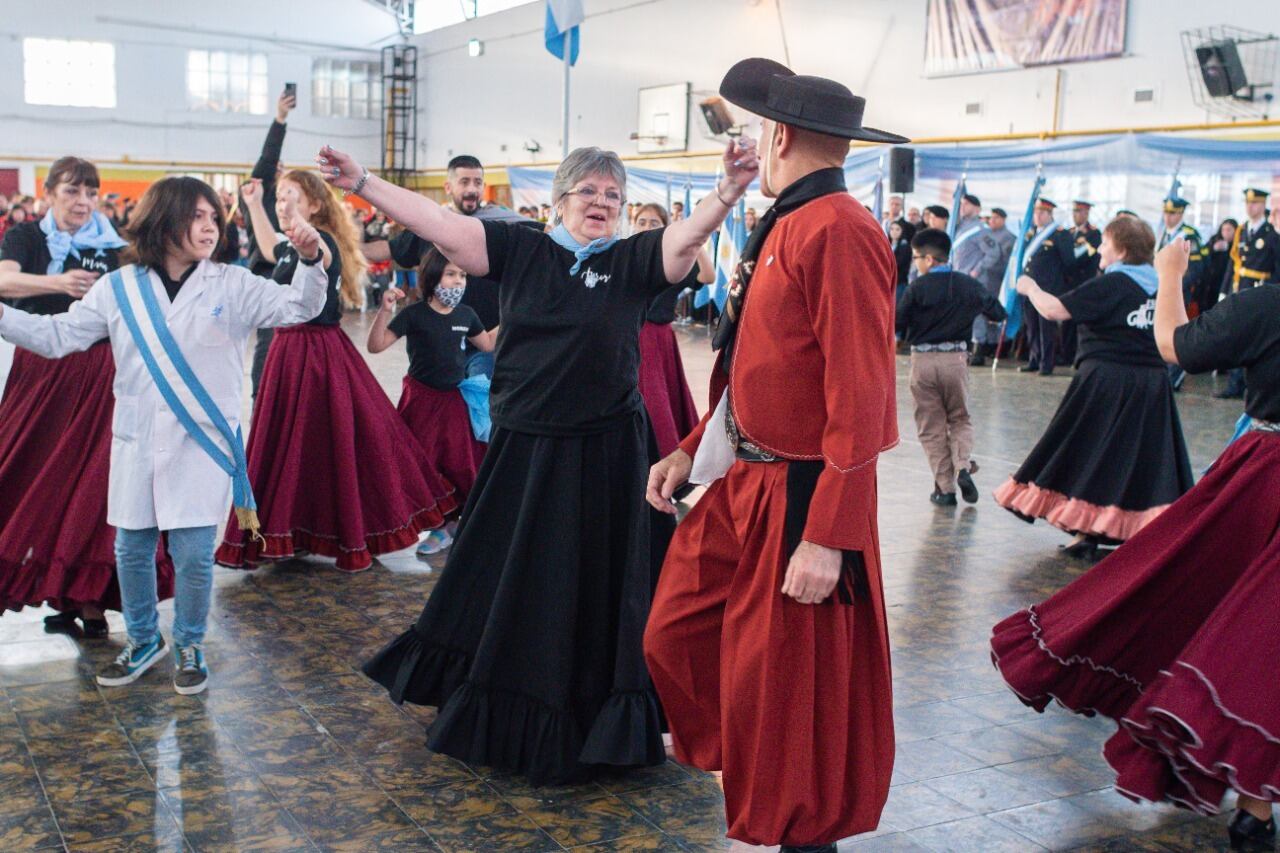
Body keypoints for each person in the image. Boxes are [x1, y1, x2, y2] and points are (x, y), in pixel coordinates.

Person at [323, 133, 757, 783]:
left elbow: (683, 243)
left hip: (612, 452)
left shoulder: (632, 259)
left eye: (613, 194)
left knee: (610, 589)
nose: (602, 202)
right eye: (589, 191)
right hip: (529, 450)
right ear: (557, 202)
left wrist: (725, 192)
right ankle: (518, 712)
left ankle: (609, 718)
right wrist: (362, 182)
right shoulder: (521, 248)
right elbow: (438, 221)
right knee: (527, 583)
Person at [643, 58, 904, 853]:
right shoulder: (791, 221)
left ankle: (799, 830)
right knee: (674, 633)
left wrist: (830, 534)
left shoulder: (840, 230)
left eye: (762, 128)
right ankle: (749, 765)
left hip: (801, 495)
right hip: (744, 480)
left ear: (780, 134)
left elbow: (862, 399)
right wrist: (693, 449)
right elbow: (765, 363)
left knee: (788, 686)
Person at [991, 236, 1280, 852]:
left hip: (1270, 477)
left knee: (1239, 624)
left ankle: (1255, 797)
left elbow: (1181, 348)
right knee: (1257, 630)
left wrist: (1172, 273)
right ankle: (1255, 799)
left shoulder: (1268, 303)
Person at [0, 176, 328, 694]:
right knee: (131, 549)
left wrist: (311, 263)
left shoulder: (231, 283)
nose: (209, 227)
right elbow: (58, 336)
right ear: (164, 221)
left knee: (195, 552)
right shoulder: (119, 287)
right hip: (136, 438)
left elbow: (298, 308)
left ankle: (191, 643)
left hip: (202, 442)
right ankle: (144, 639)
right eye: (197, 216)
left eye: (213, 217)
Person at [215, 171, 454, 573]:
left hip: (315, 353)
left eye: (290, 196)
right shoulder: (292, 243)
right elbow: (272, 247)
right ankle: (295, 532)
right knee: (294, 447)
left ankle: (333, 531)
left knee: (325, 444)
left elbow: (318, 258)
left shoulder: (319, 241)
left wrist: (306, 244)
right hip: (288, 350)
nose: (283, 203)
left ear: (314, 204)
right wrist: (256, 204)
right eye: (280, 198)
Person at [0, 157, 173, 634]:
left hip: (100, 375)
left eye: (90, 194)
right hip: (40, 371)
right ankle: (32, 579)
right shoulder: (27, 237)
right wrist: (57, 283)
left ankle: (89, 599)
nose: (83, 203)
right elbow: (3, 279)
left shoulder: (114, 243)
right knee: (28, 472)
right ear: (50, 194)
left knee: (92, 488)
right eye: (72, 192)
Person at [997, 216, 1193, 558]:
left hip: (1106, 382)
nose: (1099, 249)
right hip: (1151, 386)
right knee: (1137, 460)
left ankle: (1088, 532)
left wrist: (1029, 287)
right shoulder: (1162, 285)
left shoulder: (1113, 283)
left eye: (1105, 243)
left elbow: (1054, 309)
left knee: (1089, 455)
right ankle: (1105, 533)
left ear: (1119, 249)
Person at [367, 248, 496, 555]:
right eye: (451, 274)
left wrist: (516, 317)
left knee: (458, 460)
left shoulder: (466, 315)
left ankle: (450, 523)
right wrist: (384, 310)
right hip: (420, 400)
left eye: (462, 275)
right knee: (421, 460)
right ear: (433, 276)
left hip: (452, 399)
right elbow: (375, 346)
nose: (458, 282)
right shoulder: (414, 315)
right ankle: (433, 522)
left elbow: (487, 343)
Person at [363, 155, 532, 381]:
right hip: (439, 341)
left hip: (484, 339)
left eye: (478, 182)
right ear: (448, 187)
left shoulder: (500, 227)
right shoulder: (430, 227)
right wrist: (341, 248)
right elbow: (389, 249)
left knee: (478, 400)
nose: (472, 189)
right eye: (464, 182)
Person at [898, 228, 1006, 506]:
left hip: (922, 363)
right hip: (956, 361)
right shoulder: (967, 284)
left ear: (931, 259)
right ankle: (962, 466)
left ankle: (944, 490)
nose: (916, 263)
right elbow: (998, 313)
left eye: (917, 258)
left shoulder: (916, 288)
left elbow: (896, 325)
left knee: (931, 426)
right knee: (959, 418)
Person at [632, 202, 714, 457]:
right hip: (631, 339)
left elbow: (708, 277)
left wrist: (695, 241)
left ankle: (662, 463)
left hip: (659, 339)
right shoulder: (626, 257)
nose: (646, 227)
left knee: (658, 403)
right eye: (642, 221)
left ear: (665, 227)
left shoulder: (673, 261)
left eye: (653, 222)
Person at [246, 89, 296, 399]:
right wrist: (280, 118)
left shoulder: (289, 204)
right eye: (274, 170)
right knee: (268, 345)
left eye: (282, 170)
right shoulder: (259, 196)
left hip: (289, 279)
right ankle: (260, 399)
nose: (278, 171)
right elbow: (268, 158)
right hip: (266, 277)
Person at [1218, 188, 1279, 400]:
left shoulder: (1271, 235)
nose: (1250, 207)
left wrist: (1268, 290)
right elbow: (1233, 263)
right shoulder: (1242, 231)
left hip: (1260, 291)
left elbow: (1278, 269)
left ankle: (1250, 386)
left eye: (1254, 203)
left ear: (1263, 205)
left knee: (1255, 340)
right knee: (1238, 337)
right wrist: (1224, 291)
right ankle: (1234, 384)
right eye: (1247, 202)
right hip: (1240, 289)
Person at [1157, 196, 1207, 391]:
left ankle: (1174, 377)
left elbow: (1196, 269)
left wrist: (1174, 282)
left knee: (1176, 334)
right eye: (1166, 213)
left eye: (1173, 213)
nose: (1168, 217)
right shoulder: (1163, 233)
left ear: (1181, 214)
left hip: (1180, 291)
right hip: (1162, 290)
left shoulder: (1188, 235)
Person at [1017, 198, 1072, 376]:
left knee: (1046, 327)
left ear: (1050, 214)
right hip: (1029, 287)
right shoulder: (1031, 233)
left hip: (1048, 288)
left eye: (1041, 213)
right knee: (1031, 325)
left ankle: (1046, 363)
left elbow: (1068, 262)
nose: (1037, 216)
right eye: (1035, 212)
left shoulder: (1059, 234)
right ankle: (1034, 359)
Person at [1058, 200, 1102, 366]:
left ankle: (1079, 355)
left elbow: (1081, 256)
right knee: (1066, 321)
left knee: (1080, 321)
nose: (1075, 214)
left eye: (1079, 211)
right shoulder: (1068, 233)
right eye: (1074, 211)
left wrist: (1065, 262)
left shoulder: (1094, 234)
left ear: (1086, 213)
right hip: (1068, 283)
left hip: (1083, 282)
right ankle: (1065, 354)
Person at [971, 206, 1015, 364]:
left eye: (996, 218)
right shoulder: (985, 234)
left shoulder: (1009, 238)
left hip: (997, 279)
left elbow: (1005, 261)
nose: (992, 220)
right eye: (991, 217)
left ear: (1003, 220)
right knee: (983, 314)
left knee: (994, 313)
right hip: (985, 279)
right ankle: (987, 344)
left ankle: (999, 345)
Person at [1200, 218, 1236, 315]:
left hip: (1226, 283)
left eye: (1229, 230)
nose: (1225, 233)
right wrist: (1213, 248)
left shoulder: (1237, 244)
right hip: (1211, 282)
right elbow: (1203, 253)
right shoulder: (1215, 239)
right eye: (1223, 229)